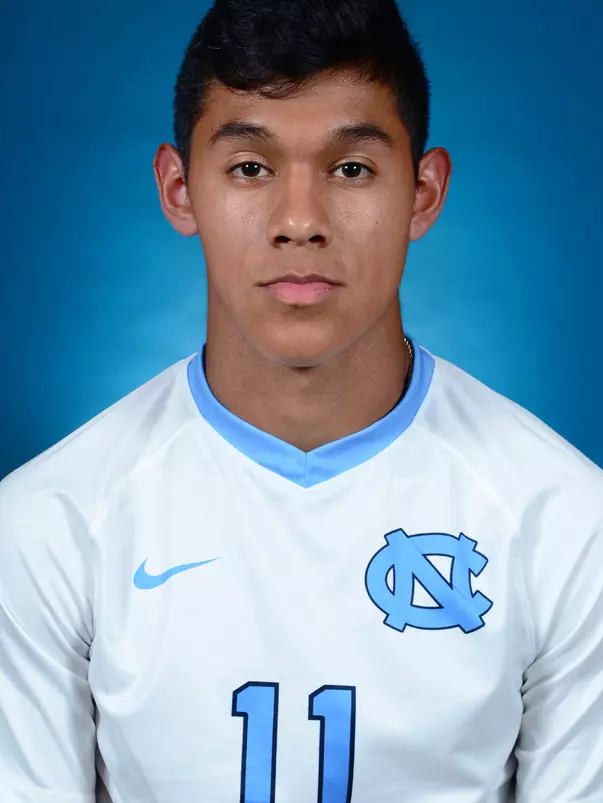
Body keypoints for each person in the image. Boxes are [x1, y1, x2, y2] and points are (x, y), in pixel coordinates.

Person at [1, 0, 602, 800]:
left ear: (423, 192)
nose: (298, 221)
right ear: (180, 190)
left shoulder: (566, 522)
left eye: (350, 168)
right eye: (250, 167)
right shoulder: (50, 522)